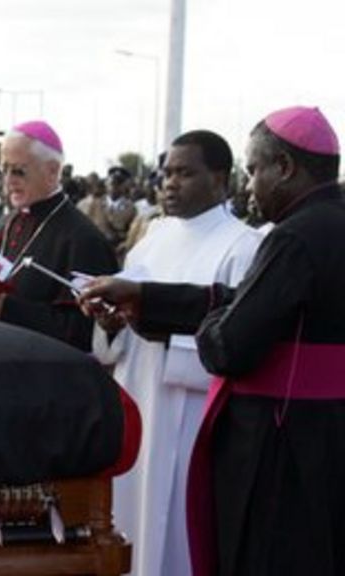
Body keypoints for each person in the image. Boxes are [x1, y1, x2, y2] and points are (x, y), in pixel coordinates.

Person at [79, 106, 345, 576]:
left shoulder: (291, 237)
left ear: (284, 168)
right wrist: (146, 299)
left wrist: (183, 328)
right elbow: (235, 299)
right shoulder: (332, 221)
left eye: (255, 169)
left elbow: (230, 344)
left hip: (280, 441)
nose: (251, 183)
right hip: (326, 431)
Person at [93, 130, 262, 576]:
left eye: (185, 173)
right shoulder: (150, 239)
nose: (170, 183)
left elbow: (237, 345)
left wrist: (158, 328)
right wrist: (111, 324)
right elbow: (121, 338)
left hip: (188, 416)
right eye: (166, 173)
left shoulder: (242, 245)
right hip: (138, 402)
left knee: (176, 534)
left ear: (220, 179)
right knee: (129, 521)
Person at [0, 120, 117, 352]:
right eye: (4, 170)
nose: (8, 181)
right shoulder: (0, 225)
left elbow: (84, 333)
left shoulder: (83, 239)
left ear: (52, 171)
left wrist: (5, 310)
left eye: (19, 171)